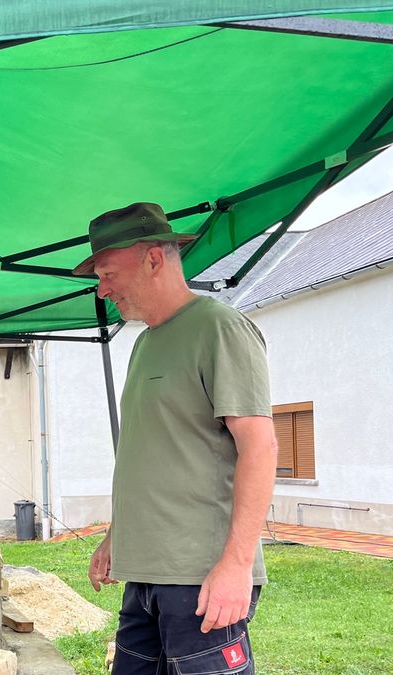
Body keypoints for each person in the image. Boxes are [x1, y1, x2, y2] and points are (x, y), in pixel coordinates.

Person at [73, 202, 277, 674]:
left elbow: (260, 448)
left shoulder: (219, 328)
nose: (102, 291)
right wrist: (114, 537)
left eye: (107, 273)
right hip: (144, 574)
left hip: (200, 577)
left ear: (152, 259)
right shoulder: (144, 344)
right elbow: (154, 457)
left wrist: (236, 566)